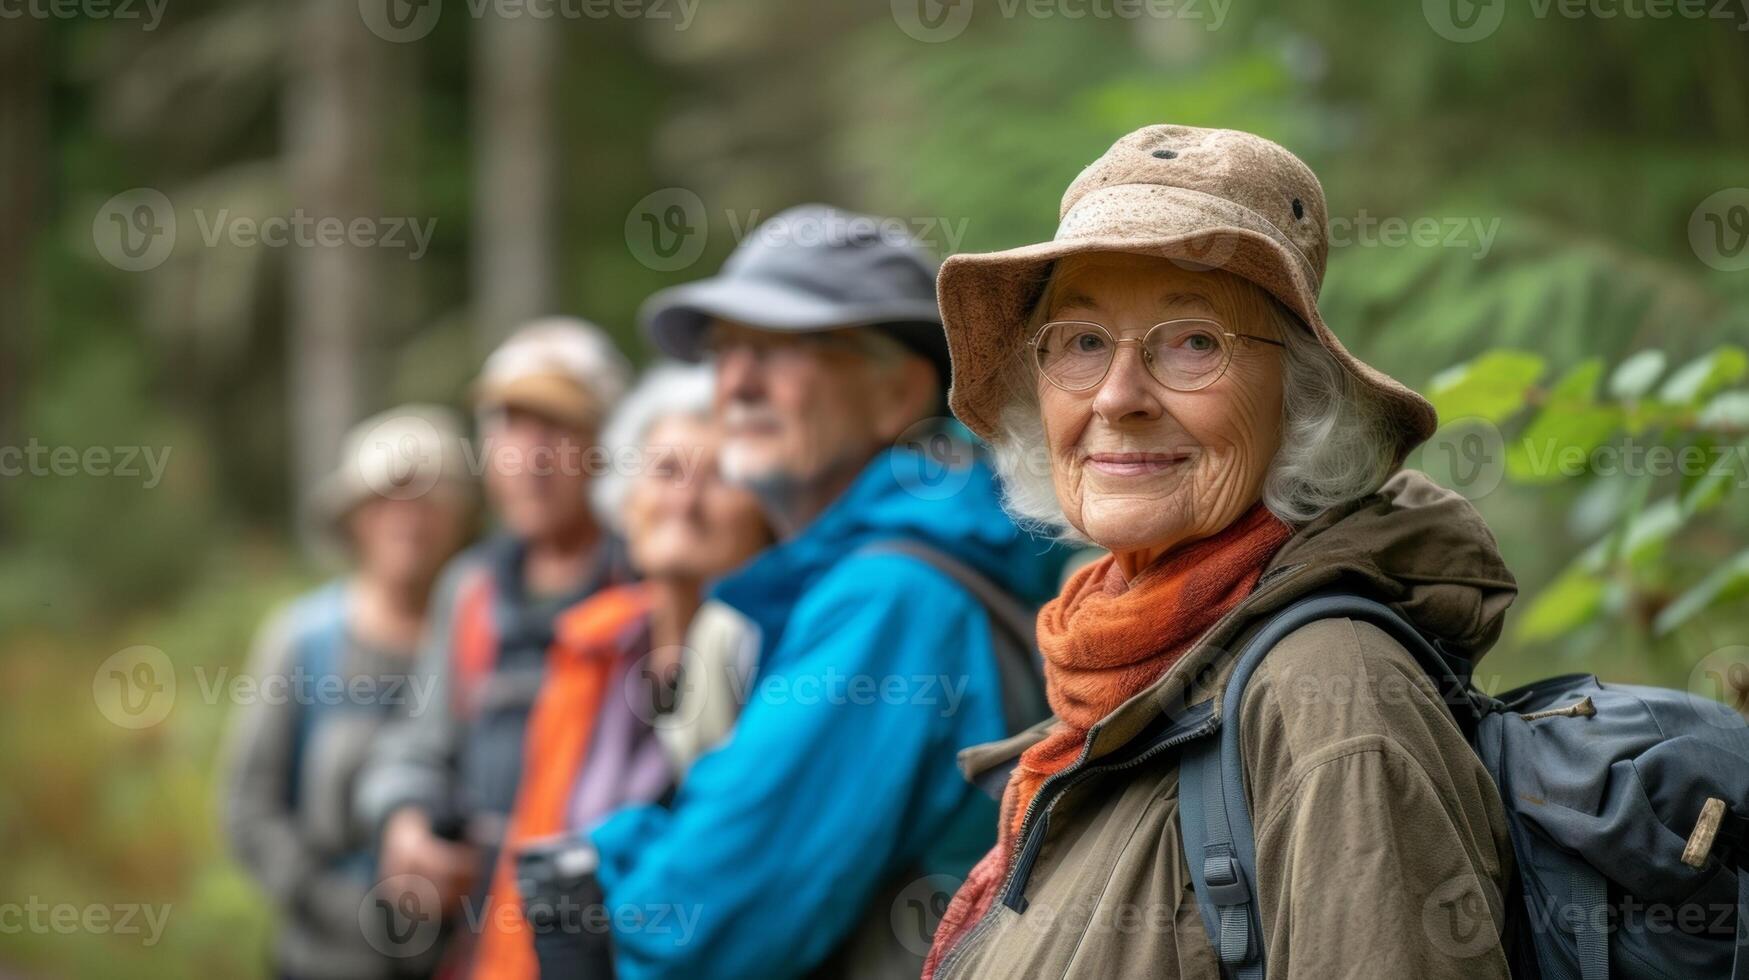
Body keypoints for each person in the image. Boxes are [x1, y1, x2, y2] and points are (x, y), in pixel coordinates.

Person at [921, 125, 1520, 979]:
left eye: (1194, 341)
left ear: (1303, 398)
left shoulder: (1330, 697)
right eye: (1082, 342)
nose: (1119, 397)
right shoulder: (1116, 671)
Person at [544, 204, 1069, 980]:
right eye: (725, 350)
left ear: (899, 393)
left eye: (786, 348)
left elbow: (698, 927)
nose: (738, 381)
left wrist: (593, 866)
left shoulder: (892, 599)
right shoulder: (883, 572)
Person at [472, 363, 772, 979]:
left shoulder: (778, 660)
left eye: (717, 477)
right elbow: (537, 842)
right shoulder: (588, 647)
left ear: (763, 509)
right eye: (664, 471)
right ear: (626, 500)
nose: (683, 502)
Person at [354, 318, 634, 965]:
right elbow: (416, 743)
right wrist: (405, 819)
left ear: (605, 444)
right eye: (509, 424)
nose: (530, 455)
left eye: (556, 426)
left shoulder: (651, 584)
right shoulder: (471, 591)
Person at [222, 406, 476, 980]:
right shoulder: (303, 641)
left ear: (462, 517)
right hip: (323, 961)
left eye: (429, 498)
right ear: (355, 518)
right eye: (388, 499)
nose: (408, 519)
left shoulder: (484, 643)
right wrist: (341, 907)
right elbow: (248, 808)